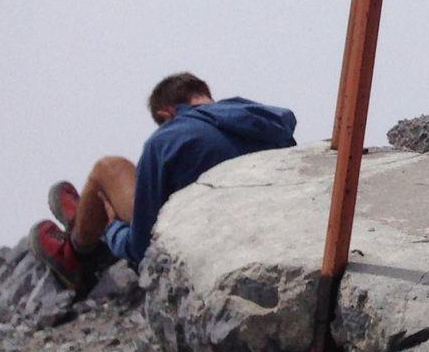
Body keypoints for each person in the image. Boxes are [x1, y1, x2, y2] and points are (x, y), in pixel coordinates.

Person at [31, 72, 297, 292]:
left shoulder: (168, 138)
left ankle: (75, 254)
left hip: (209, 240)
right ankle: (85, 224)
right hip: (274, 226)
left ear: (166, 113)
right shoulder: (268, 122)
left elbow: (144, 247)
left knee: (109, 168)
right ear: (205, 95)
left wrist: (112, 230)